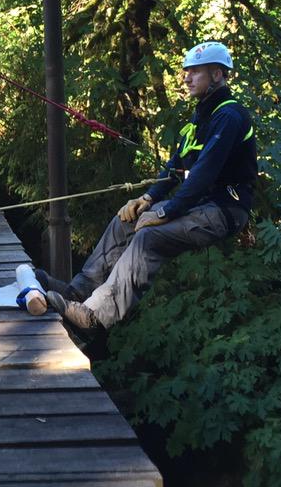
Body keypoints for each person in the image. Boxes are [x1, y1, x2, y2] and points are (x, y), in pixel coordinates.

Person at [41, 41, 257, 331]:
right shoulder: (202, 115)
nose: (186, 78)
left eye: (195, 71)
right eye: (186, 71)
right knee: (125, 219)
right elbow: (176, 165)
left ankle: (94, 317)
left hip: (223, 210)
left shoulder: (229, 117)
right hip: (200, 205)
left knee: (149, 237)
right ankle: (77, 292)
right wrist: (148, 197)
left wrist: (165, 211)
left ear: (217, 75)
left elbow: (204, 174)